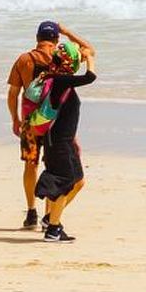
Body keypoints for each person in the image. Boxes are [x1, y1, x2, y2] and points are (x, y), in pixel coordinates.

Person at [8, 19, 94, 230]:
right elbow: (90, 51)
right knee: (55, 167)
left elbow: (13, 93)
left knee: (31, 165)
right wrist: (67, 32)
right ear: (56, 39)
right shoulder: (60, 57)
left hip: (31, 124)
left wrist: (15, 120)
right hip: (55, 123)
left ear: (37, 38)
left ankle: (31, 213)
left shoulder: (24, 59)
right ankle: (50, 216)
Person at [31, 38, 96, 242]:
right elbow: (90, 76)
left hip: (65, 140)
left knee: (78, 181)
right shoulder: (60, 79)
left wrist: (73, 139)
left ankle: (51, 218)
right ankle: (53, 229)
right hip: (57, 142)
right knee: (65, 183)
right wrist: (89, 59)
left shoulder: (58, 77)